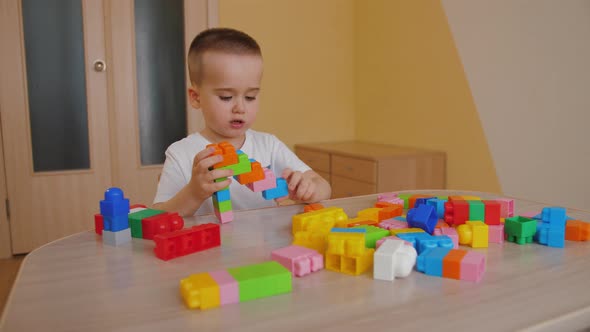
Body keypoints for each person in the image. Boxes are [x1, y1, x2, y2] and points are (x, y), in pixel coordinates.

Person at [153, 28, 331, 217]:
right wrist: (193, 193)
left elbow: (324, 188)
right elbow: (158, 216)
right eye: (226, 97)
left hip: (265, 245)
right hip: (210, 246)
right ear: (196, 98)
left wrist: (308, 188)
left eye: (250, 97)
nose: (240, 108)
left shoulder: (269, 145)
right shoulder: (181, 153)